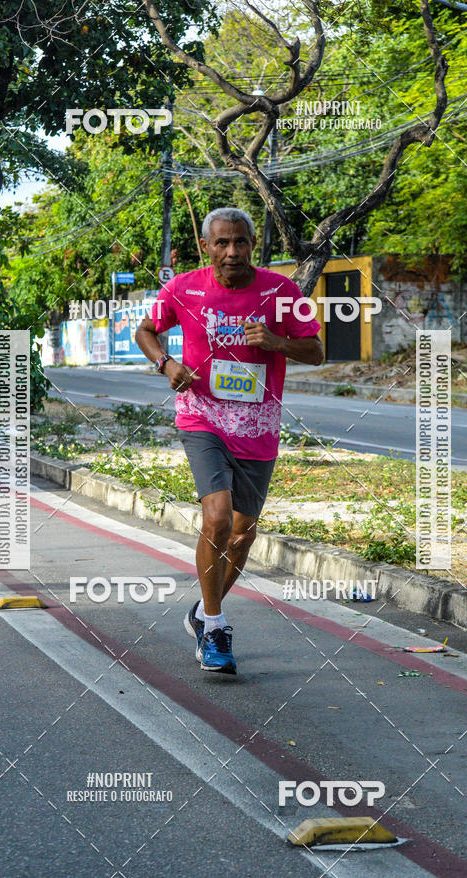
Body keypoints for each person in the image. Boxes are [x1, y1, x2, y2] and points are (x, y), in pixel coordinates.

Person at [136, 208, 323, 674]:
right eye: (222, 243)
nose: (232, 251)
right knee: (217, 517)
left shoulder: (283, 292)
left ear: (253, 244)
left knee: (242, 533)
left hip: (257, 426)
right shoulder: (182, 288)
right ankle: (217, 629)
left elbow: (317, 351)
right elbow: (146, 331)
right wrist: (166, 364)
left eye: (241, 242)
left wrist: (277, 342)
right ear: (206, 246)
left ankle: (203, 612)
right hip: (202, 416)